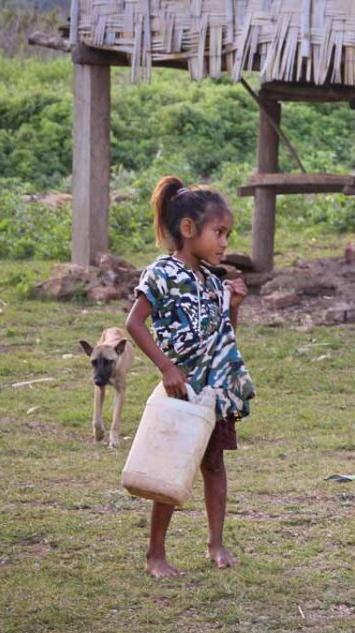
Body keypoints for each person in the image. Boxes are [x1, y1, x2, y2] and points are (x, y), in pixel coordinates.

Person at [125, 176, 256, 577]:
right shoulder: (161, 274)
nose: (223, 243)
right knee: (171, 471)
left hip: (215, 392)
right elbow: (134, 323)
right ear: (188, 229)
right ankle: (155, 555)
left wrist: (232, 304)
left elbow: (224, 333)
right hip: (181, 391)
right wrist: (166, 368)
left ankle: (215, 544)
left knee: (214, 463)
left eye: (227, 234)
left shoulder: (213, 282)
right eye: (218, 232)